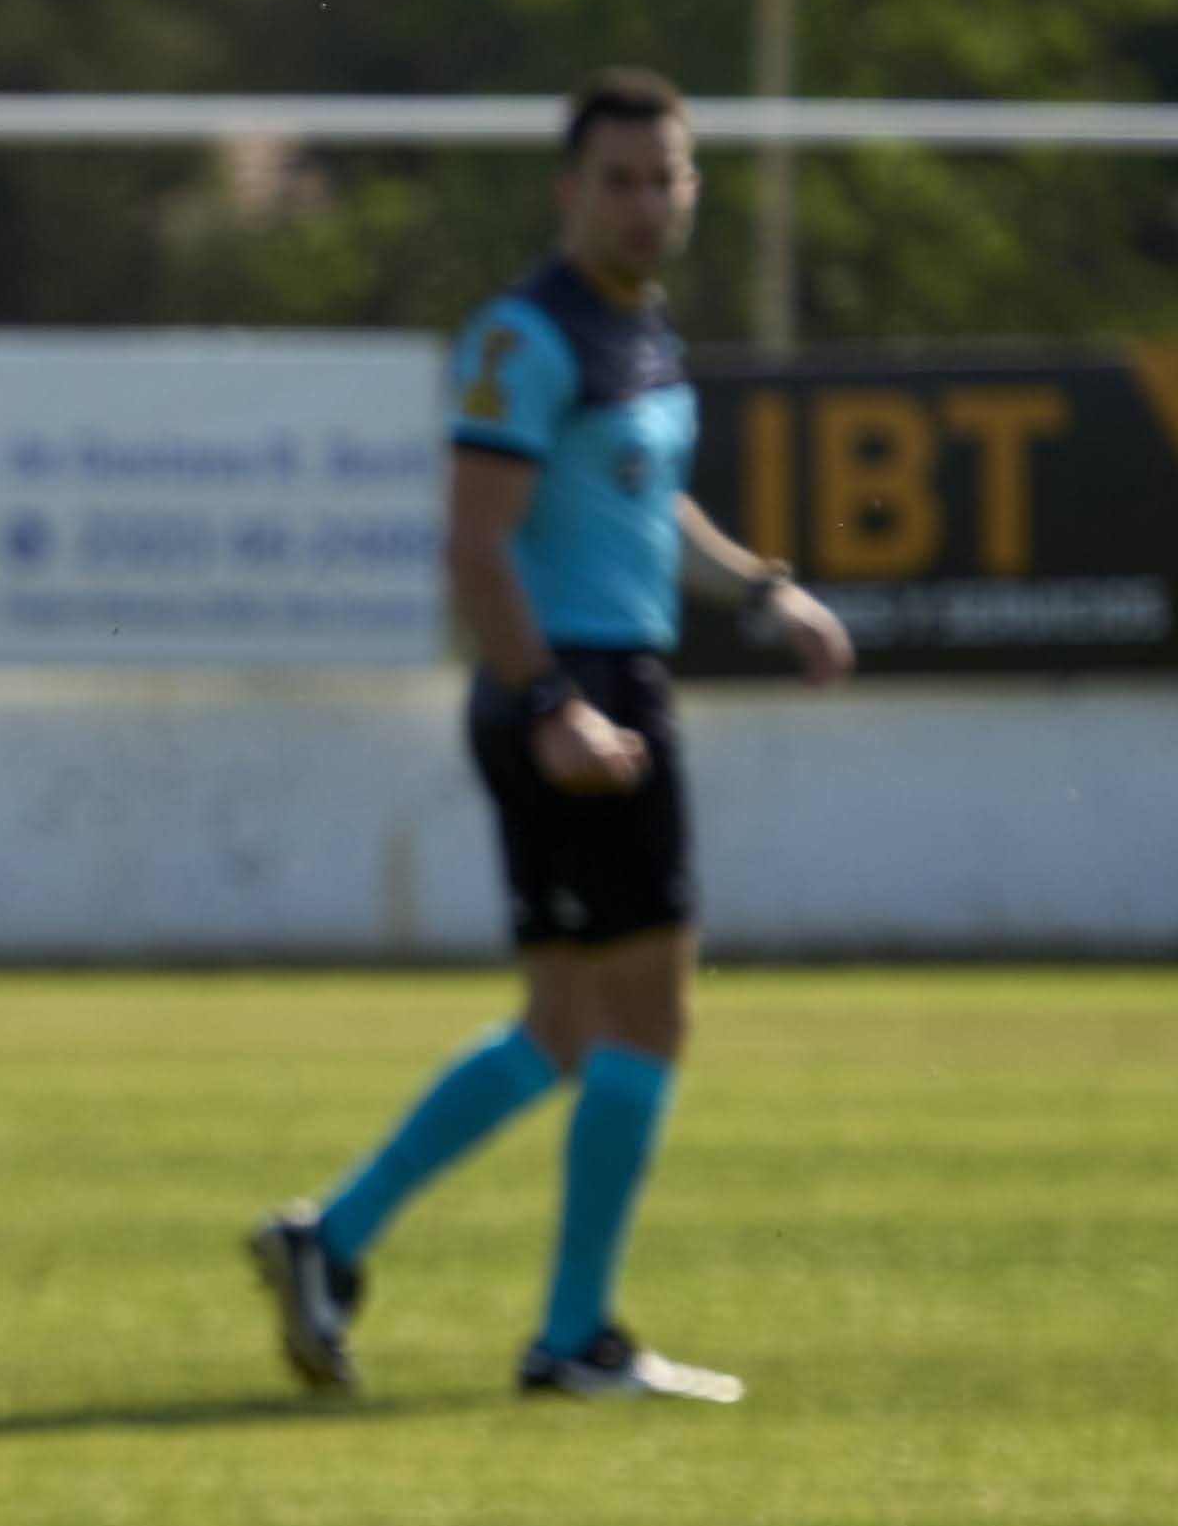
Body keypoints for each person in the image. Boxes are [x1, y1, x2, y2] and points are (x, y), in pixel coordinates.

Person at [252, 69, 853, 1403]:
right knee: (653, 1011)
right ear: (567, 190)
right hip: (571, 691)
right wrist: (551, 706)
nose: (646, 203)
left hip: (597, 683)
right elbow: (473, 541)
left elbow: (653, 512)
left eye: (666, 178)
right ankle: (571, 1336)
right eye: (620, 180)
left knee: (567, 1021)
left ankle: (328, 1237)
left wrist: (766, 590)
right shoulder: (528, 336)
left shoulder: (637, 332)